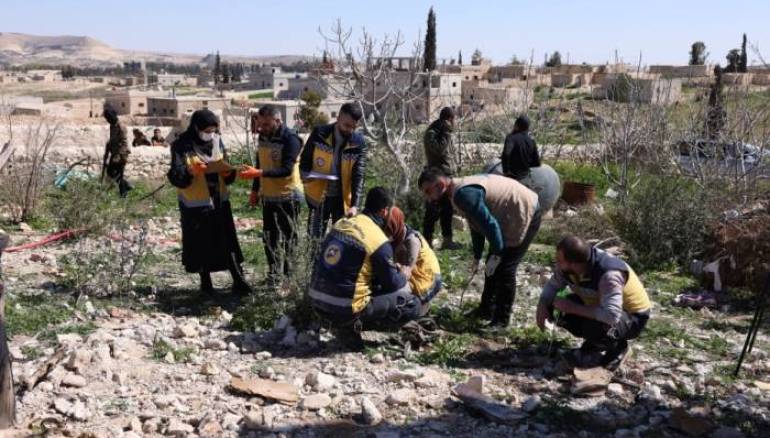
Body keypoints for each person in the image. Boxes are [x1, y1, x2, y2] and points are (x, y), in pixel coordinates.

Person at [418, 169, 541, 327]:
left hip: (526, 210)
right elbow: (476, 225)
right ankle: (486, 309)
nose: (428, 198)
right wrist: (478, 255)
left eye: (429, 191)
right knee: (492, 266)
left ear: (441, 185)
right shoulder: (456, 193)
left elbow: (489, 224)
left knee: (505, 268)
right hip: (509, 214)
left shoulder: (462, 194)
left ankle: (501, 320)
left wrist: (497, 253)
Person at [309, 187, 419, 349]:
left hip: (317, 302)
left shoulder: (342, 222)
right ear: (384, 211)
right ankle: (352, 326)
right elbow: (393, 284)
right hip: (343, 309)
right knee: (411, 304)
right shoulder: (377, 240)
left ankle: (339, 323)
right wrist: (404, 273)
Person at [167, 109, 251, 295]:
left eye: (213, 130)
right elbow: (176, 175)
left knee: (228, 241)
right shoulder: (181, 145)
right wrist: (190, 172)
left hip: (219, 201)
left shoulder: (216, 141)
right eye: (206, 130)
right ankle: (206, 284)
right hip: (195, 204)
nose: (210, 134)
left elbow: (226, 167)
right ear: (196, 127)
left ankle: (238, 279)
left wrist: (228, 172)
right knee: (200, 244)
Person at [536, 236, 651, 370]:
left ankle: (617, 348)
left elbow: (612, 316)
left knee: (597, 325)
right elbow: (552, 287)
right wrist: (542, 306)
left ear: (574, 263)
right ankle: (594, 345)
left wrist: (573, 308)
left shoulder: (609, 275)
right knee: (556, 308)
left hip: (632, 317)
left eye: (560, 261)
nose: (557, 263)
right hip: (597, 303)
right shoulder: (568, 269)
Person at [240, 105, 303, 286]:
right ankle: (274, 274)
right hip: (269, 196)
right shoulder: (263, 136)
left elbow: (285, 170)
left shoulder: (291, 140)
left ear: (278, 121)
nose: (262, 128)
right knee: (269, 238)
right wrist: (254, 190)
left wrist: (258, 174)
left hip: (288, 196)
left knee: (289, 239)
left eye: (266, 125)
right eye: (260, 124)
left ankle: (288, 277)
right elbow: (260, 162)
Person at [300, 103, 367, 239]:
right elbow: (305, 161)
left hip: (341, 200)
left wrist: (355, 205)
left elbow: (358, 175)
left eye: (354, 127)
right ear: (338, 118)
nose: (350, 130)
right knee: (314, 240)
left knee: (340, 240)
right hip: (318, 197)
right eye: (347, 125)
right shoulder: (319, 134)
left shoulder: (358, 142)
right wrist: (306, 177)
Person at [385, 207, 442, 315]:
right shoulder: (397, 237)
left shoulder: (412, 241)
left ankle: (417, 308)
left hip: (426, 279)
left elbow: (406, 272)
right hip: (413, 275)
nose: (386, 233)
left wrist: (395, 267)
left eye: (389, 228)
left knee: (393, 296)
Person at [423, 107, 461, 250]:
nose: (453, 123)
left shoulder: (444, 132)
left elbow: (449, 155)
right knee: (432, 210)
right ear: (448, 120)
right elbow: (440, 150)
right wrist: (446, 132)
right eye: (452, 120)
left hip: (446, 175)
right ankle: (427, 241)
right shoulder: (432, 133)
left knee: (448, 209)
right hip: (435, 177)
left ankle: (447, 240)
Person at [102, 105, 132, 197]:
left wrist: (118, 156)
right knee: (111, 173)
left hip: (122, 154)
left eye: (109, 118)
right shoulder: (112, 126)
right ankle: (126, 186)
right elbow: (111, 140)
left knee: (118, 174)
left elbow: (124, 143)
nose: (108, 120)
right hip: (114, 153)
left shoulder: (121, 126)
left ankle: (124, 194)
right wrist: (107, 152)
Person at [502, 115, 541, 181]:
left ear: (516, 126)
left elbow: (506, 154)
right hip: (526, 175)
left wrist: (506, 171)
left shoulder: (511, 138)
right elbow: (537, 163)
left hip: (512, 176)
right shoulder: (531, 141)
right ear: (527, 128)